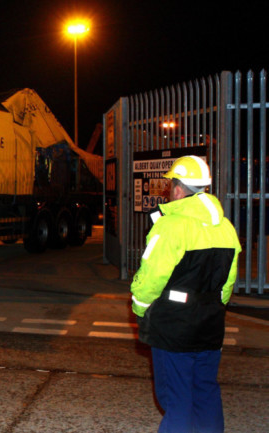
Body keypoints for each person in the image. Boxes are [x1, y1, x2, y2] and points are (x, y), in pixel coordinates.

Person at [131, 155, 241, 433]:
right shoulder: (227, 228)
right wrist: (212, 308)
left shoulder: (170, 227)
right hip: (211, 324)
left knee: (176, 399)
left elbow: (151, 279)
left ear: (179, 189)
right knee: (205, 391)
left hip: (173, 328)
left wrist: (140, 308)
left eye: (171, 185)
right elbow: (227, 285)